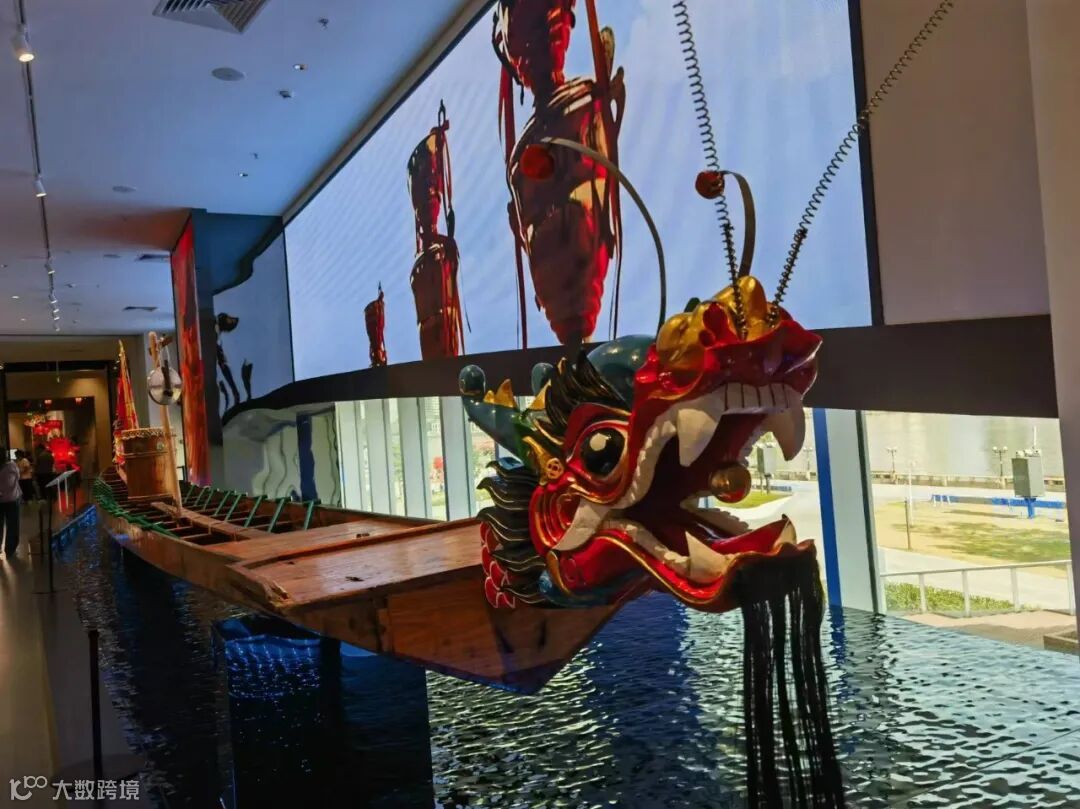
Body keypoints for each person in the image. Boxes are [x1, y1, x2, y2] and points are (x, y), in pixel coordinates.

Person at [0, 449, 21, 557]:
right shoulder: (11, 466)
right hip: (12, 499)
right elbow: (18, 477)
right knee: (12, 525)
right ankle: (10, 549)